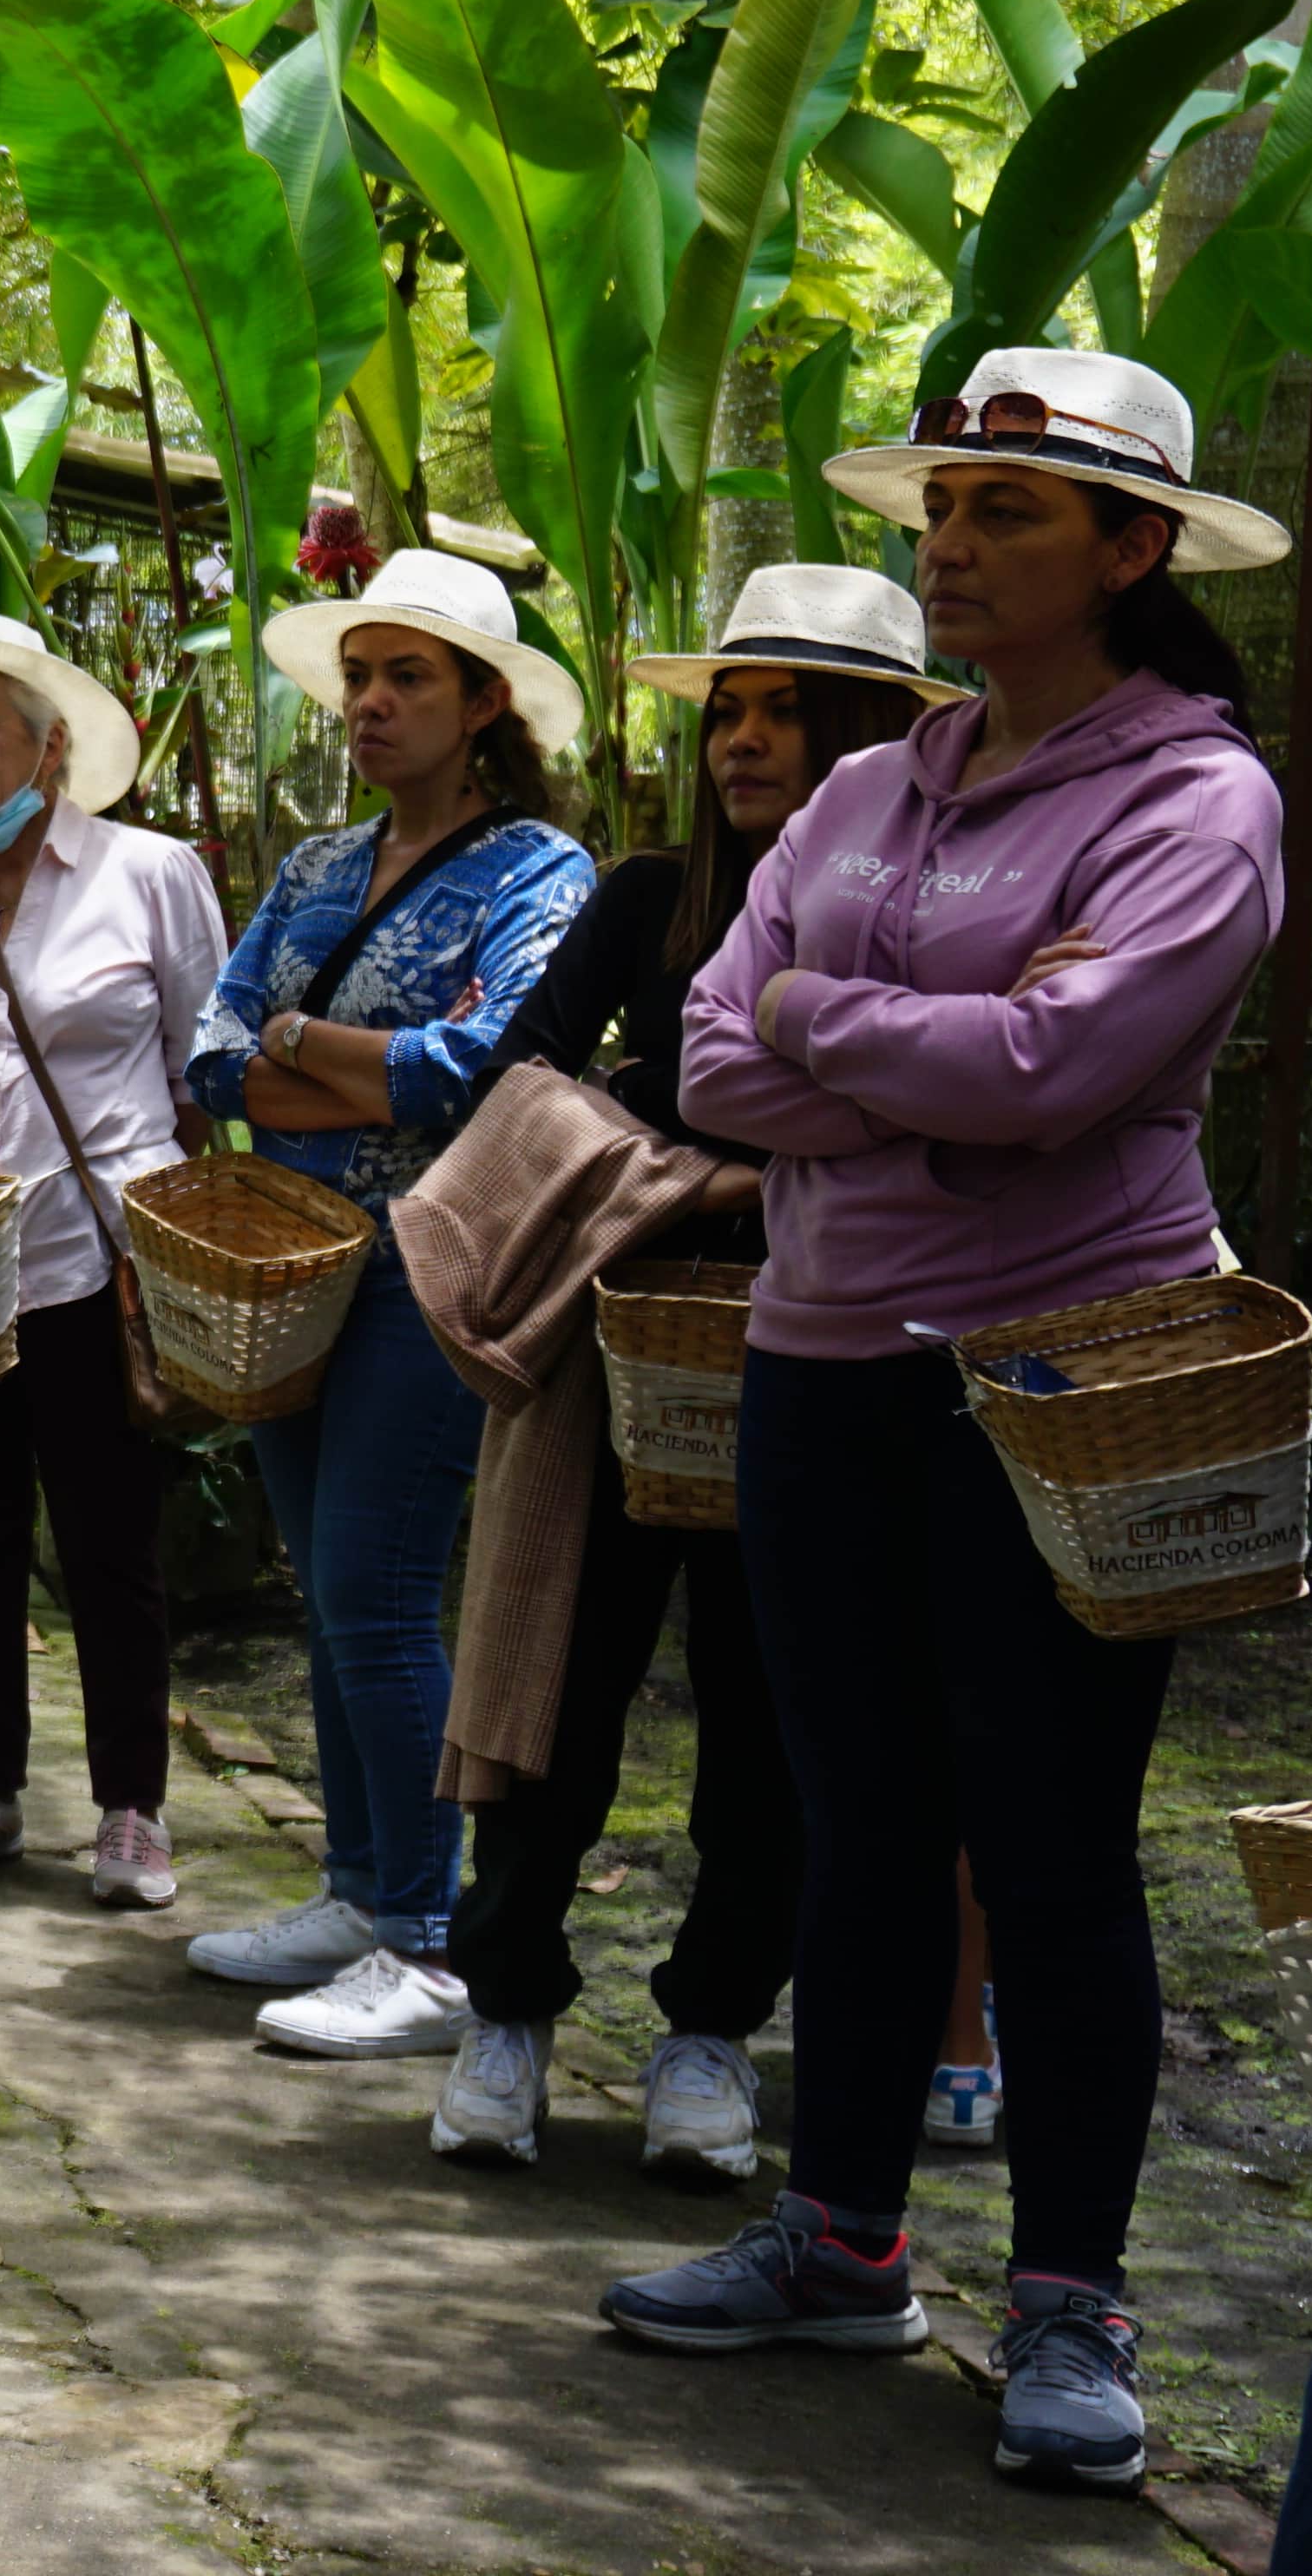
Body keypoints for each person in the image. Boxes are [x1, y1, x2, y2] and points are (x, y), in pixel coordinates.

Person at [611, 349, 1290, 2497]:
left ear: (1134, 547)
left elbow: (1058, 1072)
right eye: (947, 504)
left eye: (1012, 509)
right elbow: (710, 1056)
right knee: (863, 1817)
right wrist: (930, 1034)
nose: (956, 539)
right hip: (820, 1359)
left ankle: (1073, 2302)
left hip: (1066, 1382)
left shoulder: (1198, 799)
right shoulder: (865, 790)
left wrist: (832, 1015)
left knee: (1056, 1843)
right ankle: (843, 2234)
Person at [419, 568, 950, 2176]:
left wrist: (675, 1113)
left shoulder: (932, 918)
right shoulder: (649, 894)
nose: (743, 739)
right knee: (552, 1683)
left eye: (787, 711)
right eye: (730, 709)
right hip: (611, 1350)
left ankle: (711, 2032)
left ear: (870, 738)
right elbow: (523, 1077)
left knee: (774, 1715)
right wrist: (718, 1160)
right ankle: (506, 2010)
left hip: (830, 1351)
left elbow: (952, 1106)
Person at [180, 549, 594, 2048]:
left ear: (483, 704)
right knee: (326, 1589)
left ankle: (428, 1943)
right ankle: (360, 1891)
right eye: (357, 676)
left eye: (406, 677)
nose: (367, 702)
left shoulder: (540, 872)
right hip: (288, 1268)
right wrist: (335, 1062)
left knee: (376, 1593)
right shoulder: (311, 869)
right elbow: (212, 1057)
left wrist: (298, 1045)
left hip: (433, 1272)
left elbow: (480, 1072)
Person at [0, 614, 229, 1909]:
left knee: (110, 1538)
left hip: (89, 1261)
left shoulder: (150, 874)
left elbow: (197, 1077)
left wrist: (161, 1237)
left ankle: (132, 1810)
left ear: (49, 745)